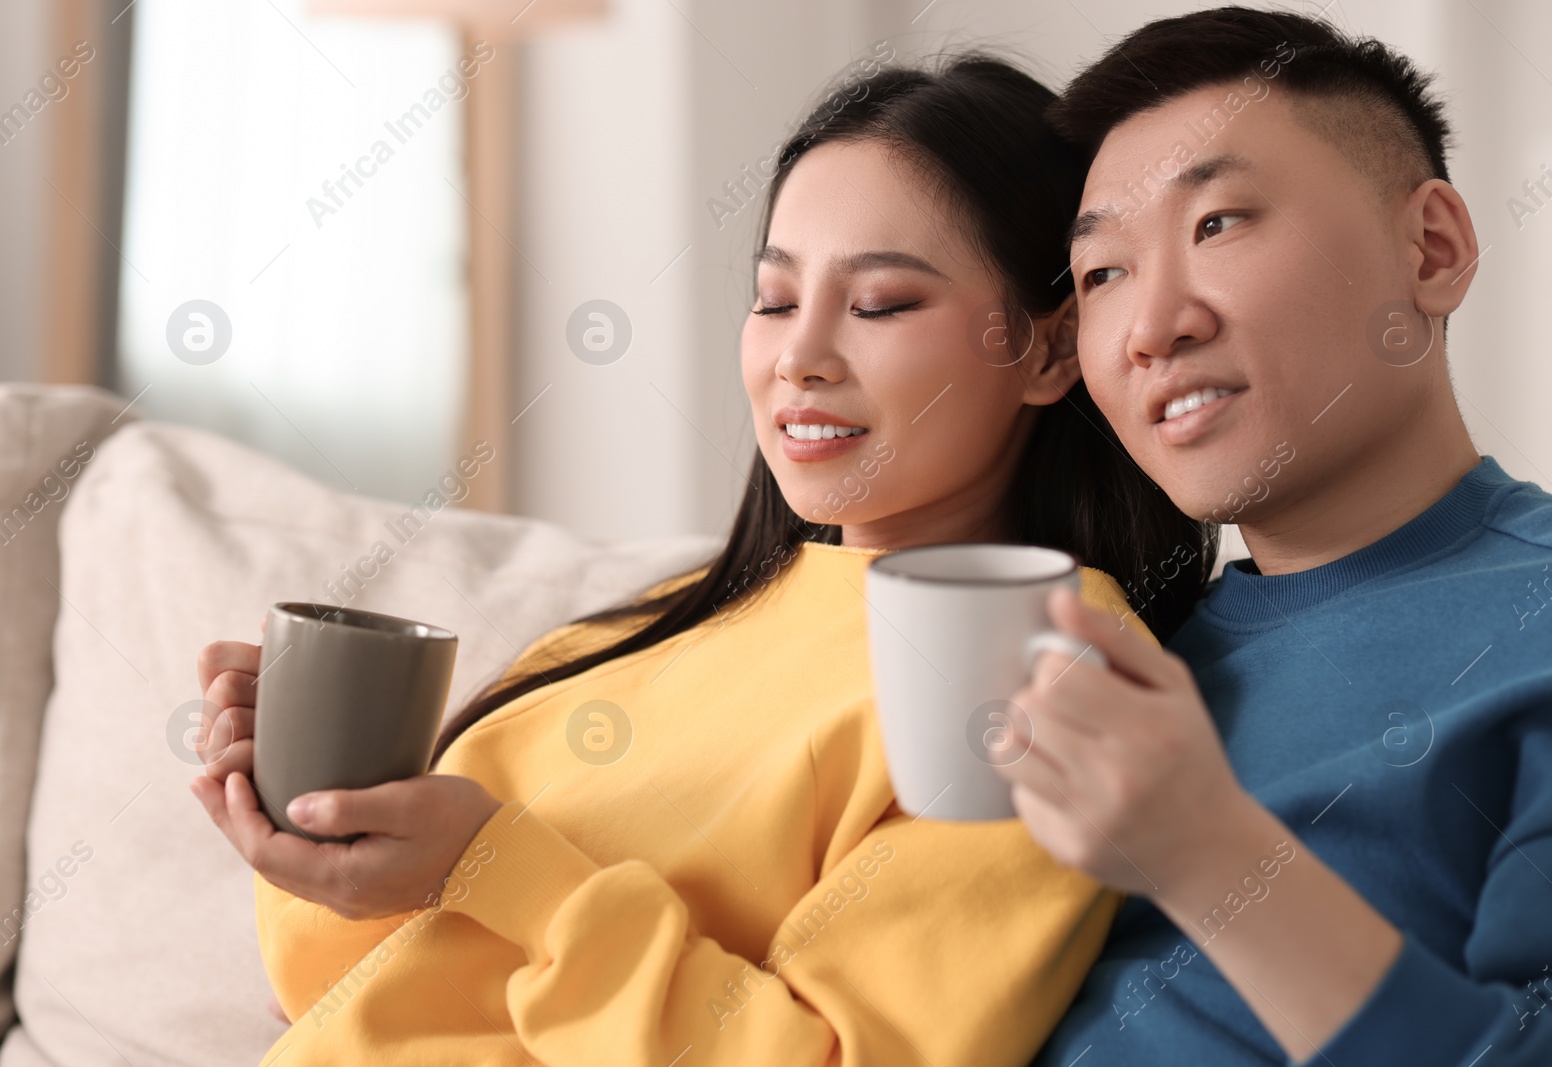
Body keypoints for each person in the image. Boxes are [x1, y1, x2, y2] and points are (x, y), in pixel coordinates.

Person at [188, 54, 1214, 1066]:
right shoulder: (666, 619)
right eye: (773, 300)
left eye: (881, 304)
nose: (797, 355)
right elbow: (353, 999)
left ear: (1042, 350)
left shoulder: (1035, 657)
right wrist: (317, 827)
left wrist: (496, 863)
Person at [997, 8, 1552, 1066]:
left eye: (1218, 223)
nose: (1151, 327)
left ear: (1433, 248)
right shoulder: (1120, 636)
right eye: (1101, 274)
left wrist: (1208, 854)